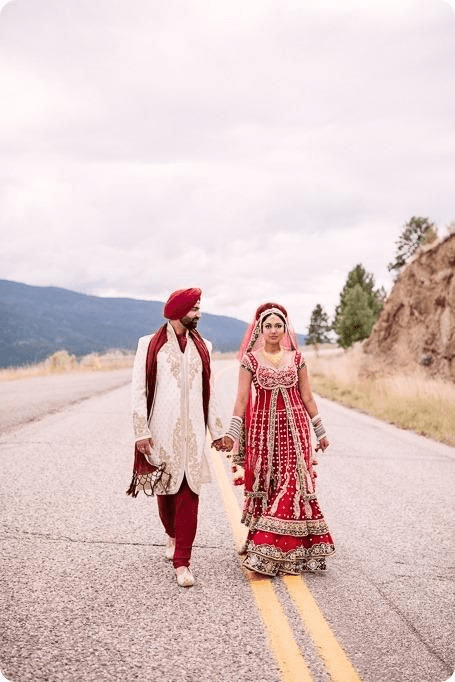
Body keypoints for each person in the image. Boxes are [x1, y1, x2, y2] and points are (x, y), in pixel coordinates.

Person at [222, 302, 335, 576]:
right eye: (268, 326)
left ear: (285, 329)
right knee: (269, 483)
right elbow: (241, 399)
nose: (273, 330)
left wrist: (320, 432)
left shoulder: (297, 358)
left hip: (295, 431)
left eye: (278, 326)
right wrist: (232, 435)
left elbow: (307, 396)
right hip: (263, 432)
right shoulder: (250, 361)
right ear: (260, 329)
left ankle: (272, 548)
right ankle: (264, 541)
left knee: (293, 483)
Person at [127, 287, 225, 587]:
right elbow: (138, 390)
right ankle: (171, 535)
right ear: (178, 311)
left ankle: (183, 562)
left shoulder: (204, 345)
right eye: (194, 309)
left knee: (189, 492)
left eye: (199, 307)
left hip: (193, 434)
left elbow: (211, 392)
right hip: (161, 431)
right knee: (166, 494)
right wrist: (141, 431)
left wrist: (218, 432)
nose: (199, 313)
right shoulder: (149, 345)